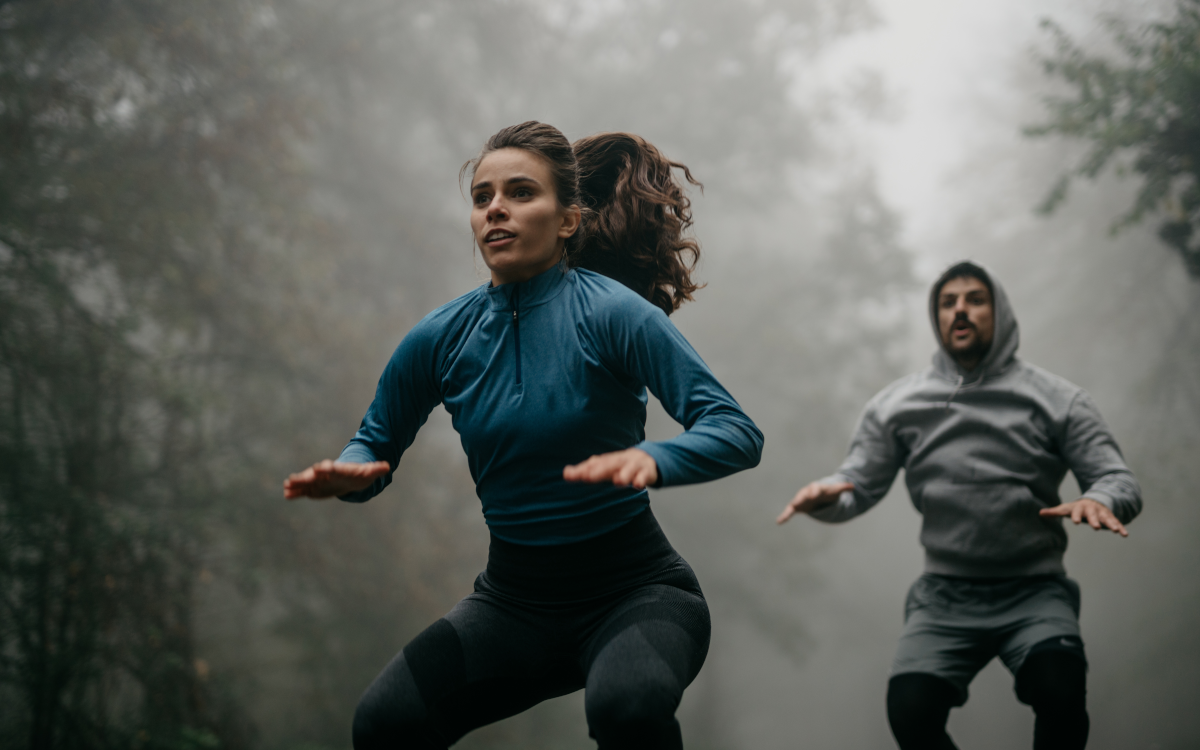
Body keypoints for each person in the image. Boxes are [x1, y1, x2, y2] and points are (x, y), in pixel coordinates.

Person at [283, 121, 763, 750]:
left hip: (638, 594)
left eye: (519, 193)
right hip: (511, 607)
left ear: (568, 220)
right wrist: (353, 472)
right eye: (482, 198)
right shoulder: (439, 337)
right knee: (384, 723)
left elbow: (735, 430)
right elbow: (373, 442)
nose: (496, 210)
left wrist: (653, 459)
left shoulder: (615, 314)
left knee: (627, 710)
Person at [776, 261, 1140, 750]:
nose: (960, 310)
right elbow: (857, 485)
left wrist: (1100, 499)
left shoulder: (1060, 400)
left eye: (974, 299)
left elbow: (1117, 479)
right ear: (936, 318)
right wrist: (824, 496)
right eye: (948, 303)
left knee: (1061, 688)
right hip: (944, 596)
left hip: (1034, 591)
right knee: (909, 709)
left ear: (1000, 311)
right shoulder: (896, 405)